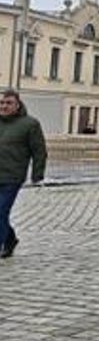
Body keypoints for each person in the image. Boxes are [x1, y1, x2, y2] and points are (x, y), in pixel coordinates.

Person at [0, 88, 47, 259]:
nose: (4, 106)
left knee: (0, 212)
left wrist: (37, 174)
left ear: (18, 105)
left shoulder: (30, 124)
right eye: (2, 102)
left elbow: (39, 151)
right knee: (1, 215)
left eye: (9, 103)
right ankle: (10, 239)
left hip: (12, 177)